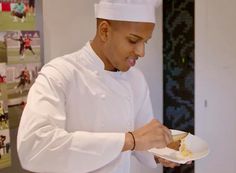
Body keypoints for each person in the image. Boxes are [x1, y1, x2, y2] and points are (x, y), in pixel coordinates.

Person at [17, 0, 190, 172]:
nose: (141, 52)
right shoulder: (60, 74)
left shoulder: (136, 79)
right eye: (133, 40)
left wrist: (159, 152)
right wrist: (129, 141)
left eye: (146, 41)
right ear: (105, 31)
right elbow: (34, 148)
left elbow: (142, 138)